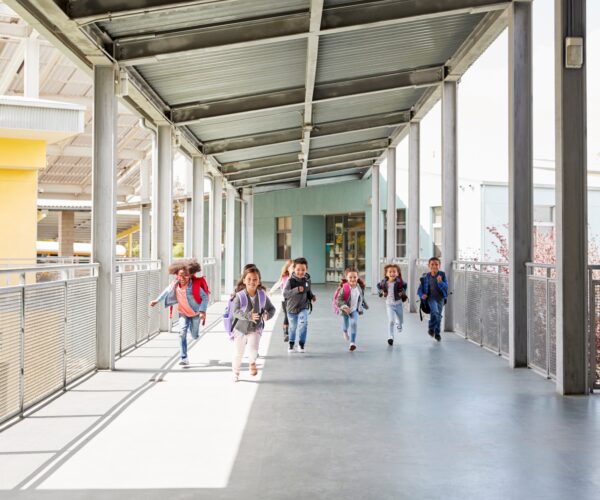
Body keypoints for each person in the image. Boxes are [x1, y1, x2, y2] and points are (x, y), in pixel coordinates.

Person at [150, 258, 209, 365]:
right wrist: (157, 300)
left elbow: (205, 297)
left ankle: (194, 333)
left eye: (185, 275)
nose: (182, 278)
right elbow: (166, 292)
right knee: (182, 333)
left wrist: (202, 311)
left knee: (195, 335)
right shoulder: (175, 284)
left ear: (190, 275)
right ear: (176, 274)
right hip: (183, 313)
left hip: (195, 313)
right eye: (179, 275)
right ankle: (183, 357)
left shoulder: (194, 285)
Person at [231, 266, 276, 382]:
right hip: (239, 329)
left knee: (253, 349)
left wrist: (267, 316)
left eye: (255, 279)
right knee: (238, 353)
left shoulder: (262, 296)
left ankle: (252, 362)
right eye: (249, 279)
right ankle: (235, 373)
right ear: (244, 280)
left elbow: (272, 309)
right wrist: (248, 316)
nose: (252, 281)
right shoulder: (239, 296)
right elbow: (235, 312)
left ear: (259, 281)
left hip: (255, 328)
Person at [283, 257, 317, 353]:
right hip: (291, 309)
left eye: (303, 270)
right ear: (294, 269)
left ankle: (301, 344)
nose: (300, 272)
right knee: (293, 328)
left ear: (306, 270)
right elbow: (285, 294)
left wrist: (312, 296)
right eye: (298, 269)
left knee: (303, 324)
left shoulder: (307, 280)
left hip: (303, 307)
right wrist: (296, 290)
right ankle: (291, 344)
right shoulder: (290, 281)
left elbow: (308, 291)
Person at [336, 268, 368, 351]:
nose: (353, 279)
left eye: (355, 277)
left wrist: (365, 304)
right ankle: (345, 331)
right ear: (347, 278)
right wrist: (345, 307)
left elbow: (361, 297)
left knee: (354, 323)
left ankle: (352, 342)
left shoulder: (359, 287)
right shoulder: (345, 288)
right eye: (350, 277)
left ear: (357, 277)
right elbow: (339, 300)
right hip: (345, 311)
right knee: (346, 324)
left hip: (354, 310)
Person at [417, 257, 449, 342]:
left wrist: (440, 282)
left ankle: (437, 333)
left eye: (436, 264)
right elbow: (419, 289)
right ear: (428, 265)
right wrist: (422, 295)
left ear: (439, 266)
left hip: (441, 299)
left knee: (437, 316)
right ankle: (431, 328)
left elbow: (446, 288)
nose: (434, 266)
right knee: (435, 312)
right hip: (431, 298)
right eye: (432, 264)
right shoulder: (425, 277)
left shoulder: (442, 275)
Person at [376, 263, 408, 347]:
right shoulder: (384, 282)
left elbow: (405, 285)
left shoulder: (400, 282)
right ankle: (390, 337)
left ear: (397, 273)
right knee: (391, 321)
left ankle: (399, 323)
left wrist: (403, 292)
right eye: (390, 272)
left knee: (400, 320)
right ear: (386, 274)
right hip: (389, 305)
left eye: (394, 272)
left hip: (399, 304)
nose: (392, 273)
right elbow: (378, 287)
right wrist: (381, 293)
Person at [269, 259, 294, 342]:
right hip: (285, 300)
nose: (294, 269)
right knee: (287, 315)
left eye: (295, 267)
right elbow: (277, 284)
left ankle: (291, 331)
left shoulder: (296, 278)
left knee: (292, 316)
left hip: (293, 301)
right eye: (292, 267)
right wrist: (271, 291)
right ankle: (286, 333)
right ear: (288, 268)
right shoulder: (284, 278)